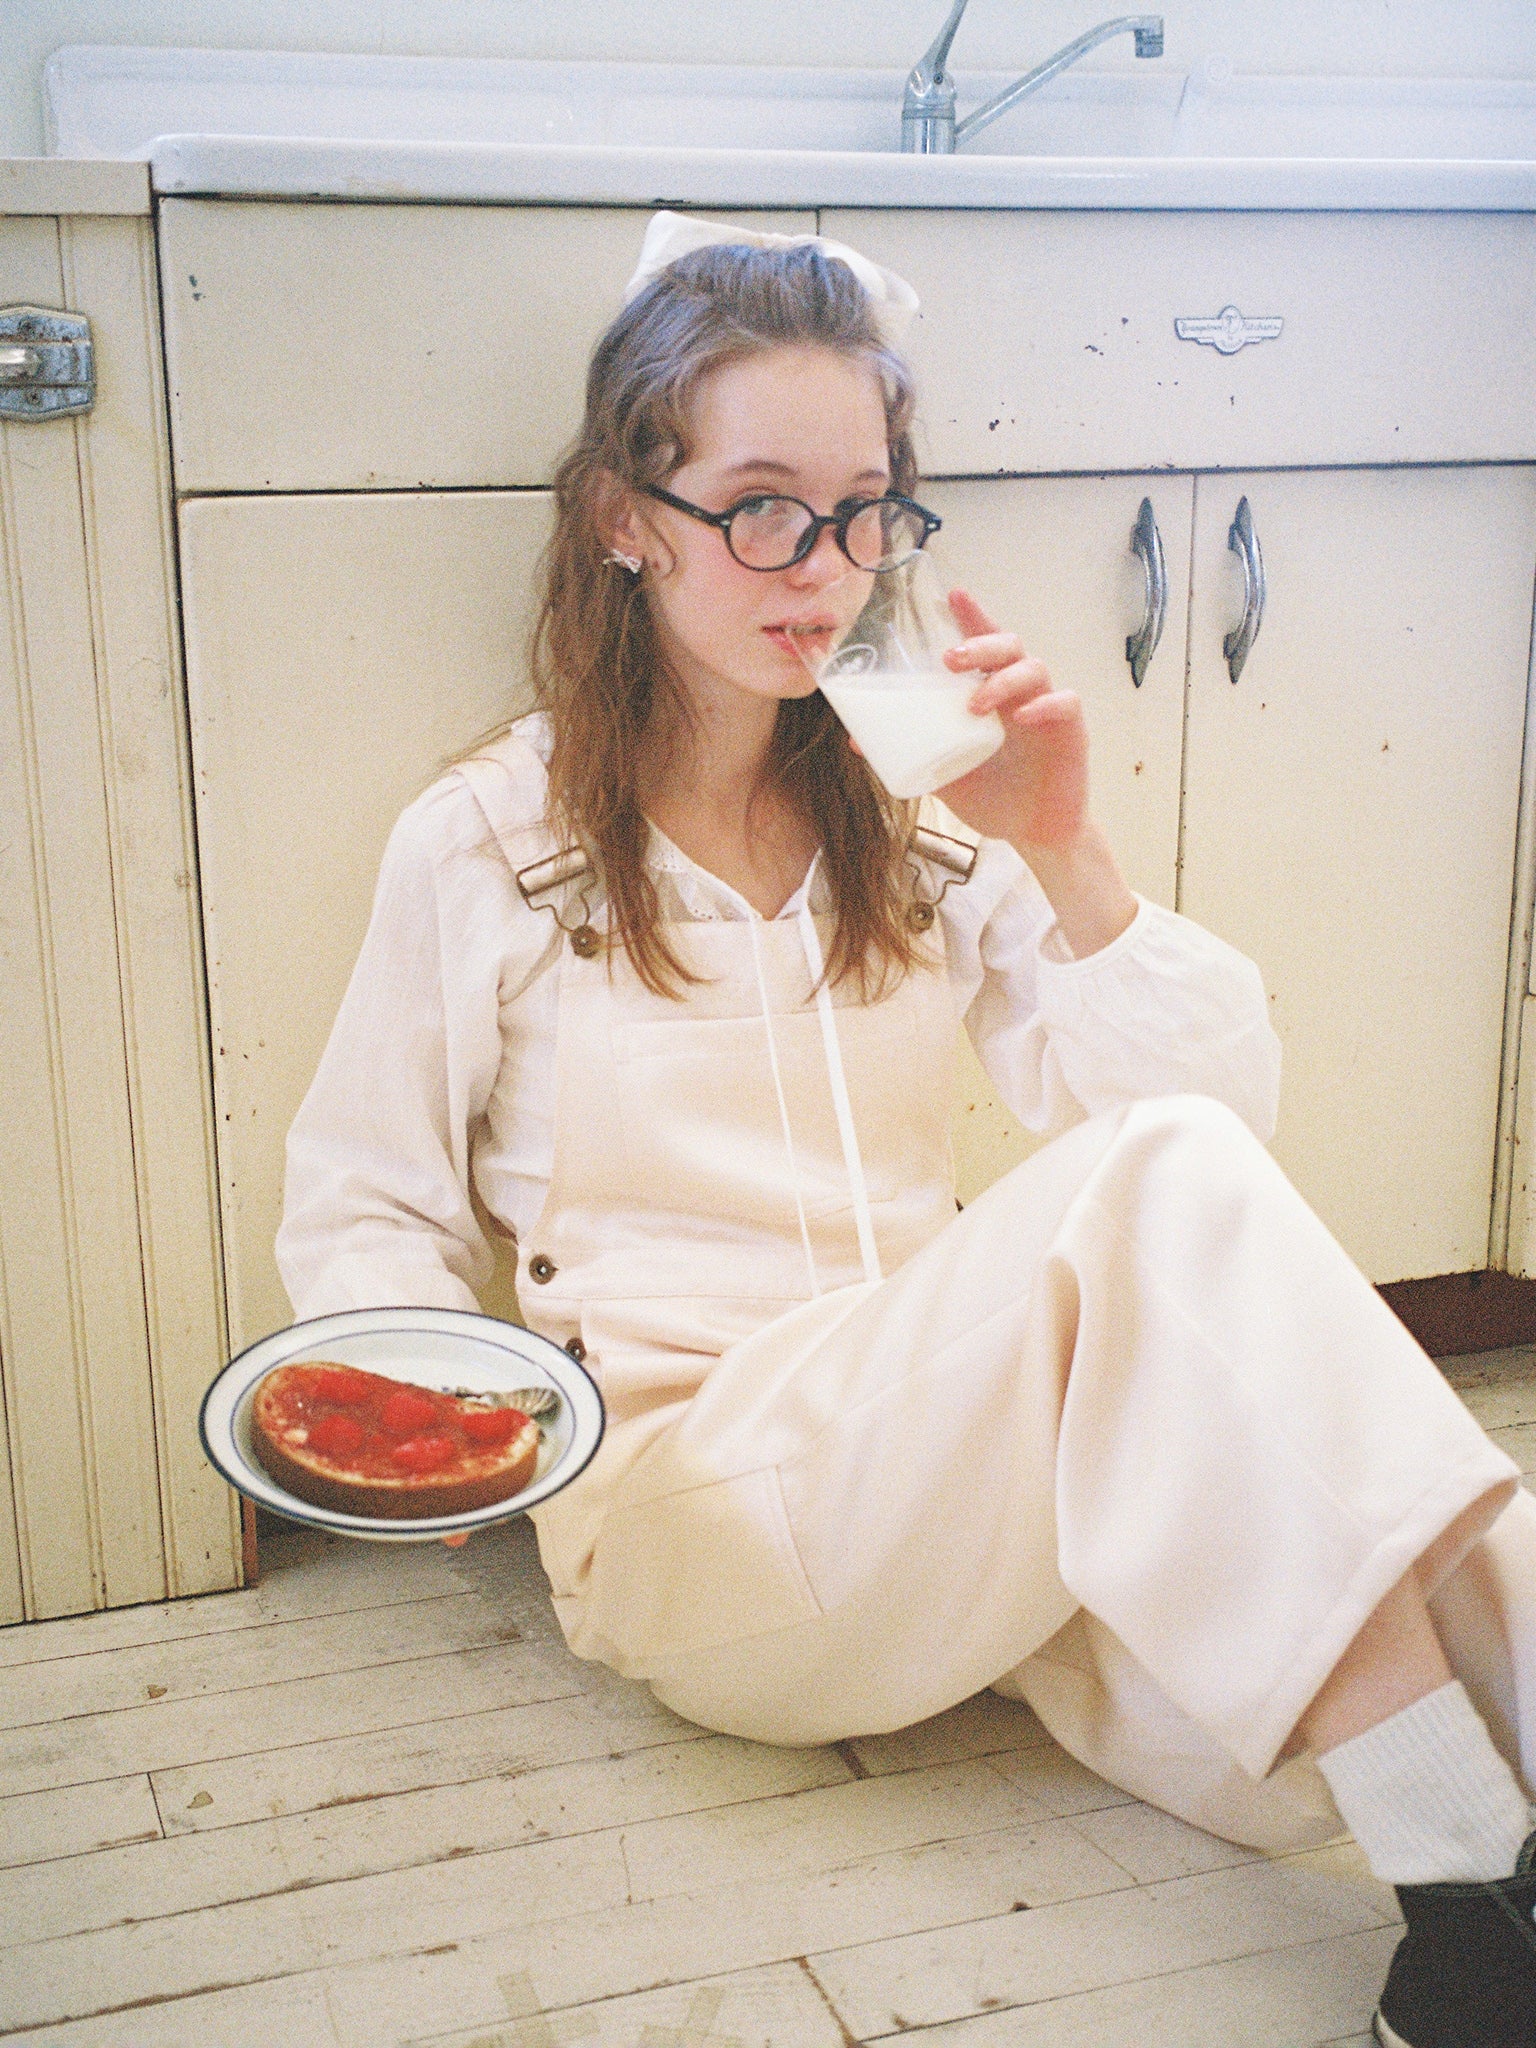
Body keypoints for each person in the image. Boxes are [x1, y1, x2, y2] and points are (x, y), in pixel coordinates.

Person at [277, 211, 1536, 2048]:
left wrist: (1065, 844)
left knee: (1329, 1566)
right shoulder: (488, 840)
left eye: (866, 510)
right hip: (693, 1524)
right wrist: (428, 1414)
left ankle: (1480, 1913)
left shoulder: (922, 804)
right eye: (762, 508)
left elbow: (1219, 1142)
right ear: (626, 515)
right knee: (1175, 1259)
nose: (827, 566)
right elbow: (364, 1197)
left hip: (945, 1480)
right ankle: (1470, 1887)